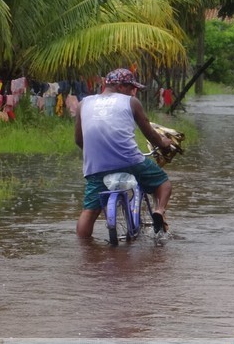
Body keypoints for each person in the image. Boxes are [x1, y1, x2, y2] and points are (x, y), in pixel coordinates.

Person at [74, 68, 175, 239]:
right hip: (130, 161)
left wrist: (97, 156)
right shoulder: (131, 102)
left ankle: (85, 252)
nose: (133, 92)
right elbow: (150, 134)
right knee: (164, 183)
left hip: (96, 166)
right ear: (121, 87)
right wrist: (164, 143)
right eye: (131, 88)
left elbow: (78, 140)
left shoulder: (83, 103)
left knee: (89, 211)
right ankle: (159, 210)